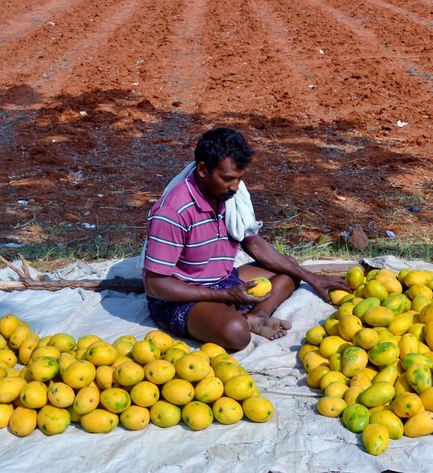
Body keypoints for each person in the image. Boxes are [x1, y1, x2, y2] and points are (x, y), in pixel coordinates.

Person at [142, 127, 348, 351]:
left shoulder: (229, 198)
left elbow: (255, 244)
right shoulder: (173, 212)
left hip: (224, 280)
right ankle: (243, 321)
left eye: (239, 178)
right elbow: (155, 286)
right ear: (202, 169)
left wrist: (312, 278)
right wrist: (225, 295)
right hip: (181, 298)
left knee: (290, 270)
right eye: (228, 179)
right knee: (236, 333)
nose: (235, 187)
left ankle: (257, 317)